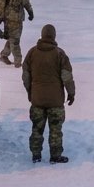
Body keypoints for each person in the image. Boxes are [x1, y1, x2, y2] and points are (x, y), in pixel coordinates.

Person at [22, 23, 75, 163]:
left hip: (37, 99)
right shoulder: (59, 54)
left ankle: (36, 155)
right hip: (55, 100)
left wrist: (30, 92)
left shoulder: (32, 53)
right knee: (56, 130)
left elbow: (26, 76)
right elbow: (67, 76)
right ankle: (55, 155)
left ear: (42, 35)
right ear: (54, 36)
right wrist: (71, 93)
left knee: (36, 129)